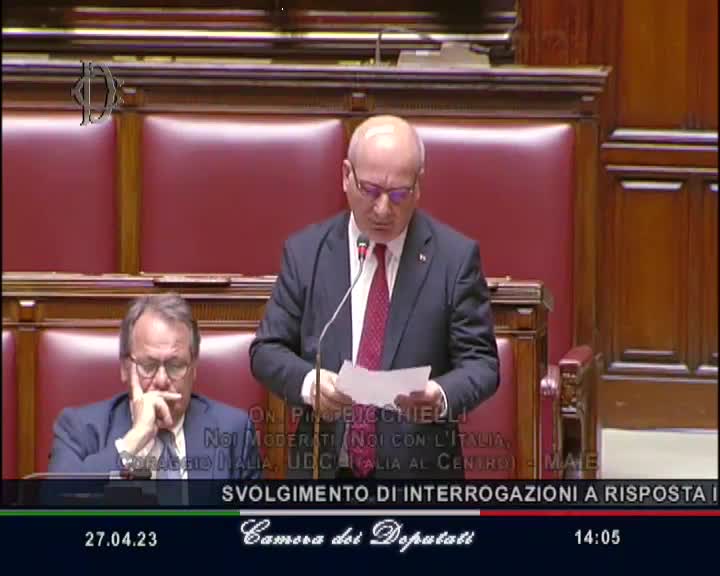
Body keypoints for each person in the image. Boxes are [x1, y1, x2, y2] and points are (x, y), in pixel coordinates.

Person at [250, 115, 499, 479]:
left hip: (418, 478)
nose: (383, 209)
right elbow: (266, 351)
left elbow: (482, 364)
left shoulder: (454, 258)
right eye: (370, 191)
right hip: (324, 473)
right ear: (345, 176)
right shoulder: (307, 253)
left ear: (418, 186)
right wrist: (310, 384)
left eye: (398, 194)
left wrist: (440, 395)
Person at [49, 293, 261, 480]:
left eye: (175, 366)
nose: (161, 380)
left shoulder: (233, 431)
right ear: (125, 367)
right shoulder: (79, 430)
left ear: (194, 368)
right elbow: (57, 504)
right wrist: (134, 440)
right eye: (148, 366)